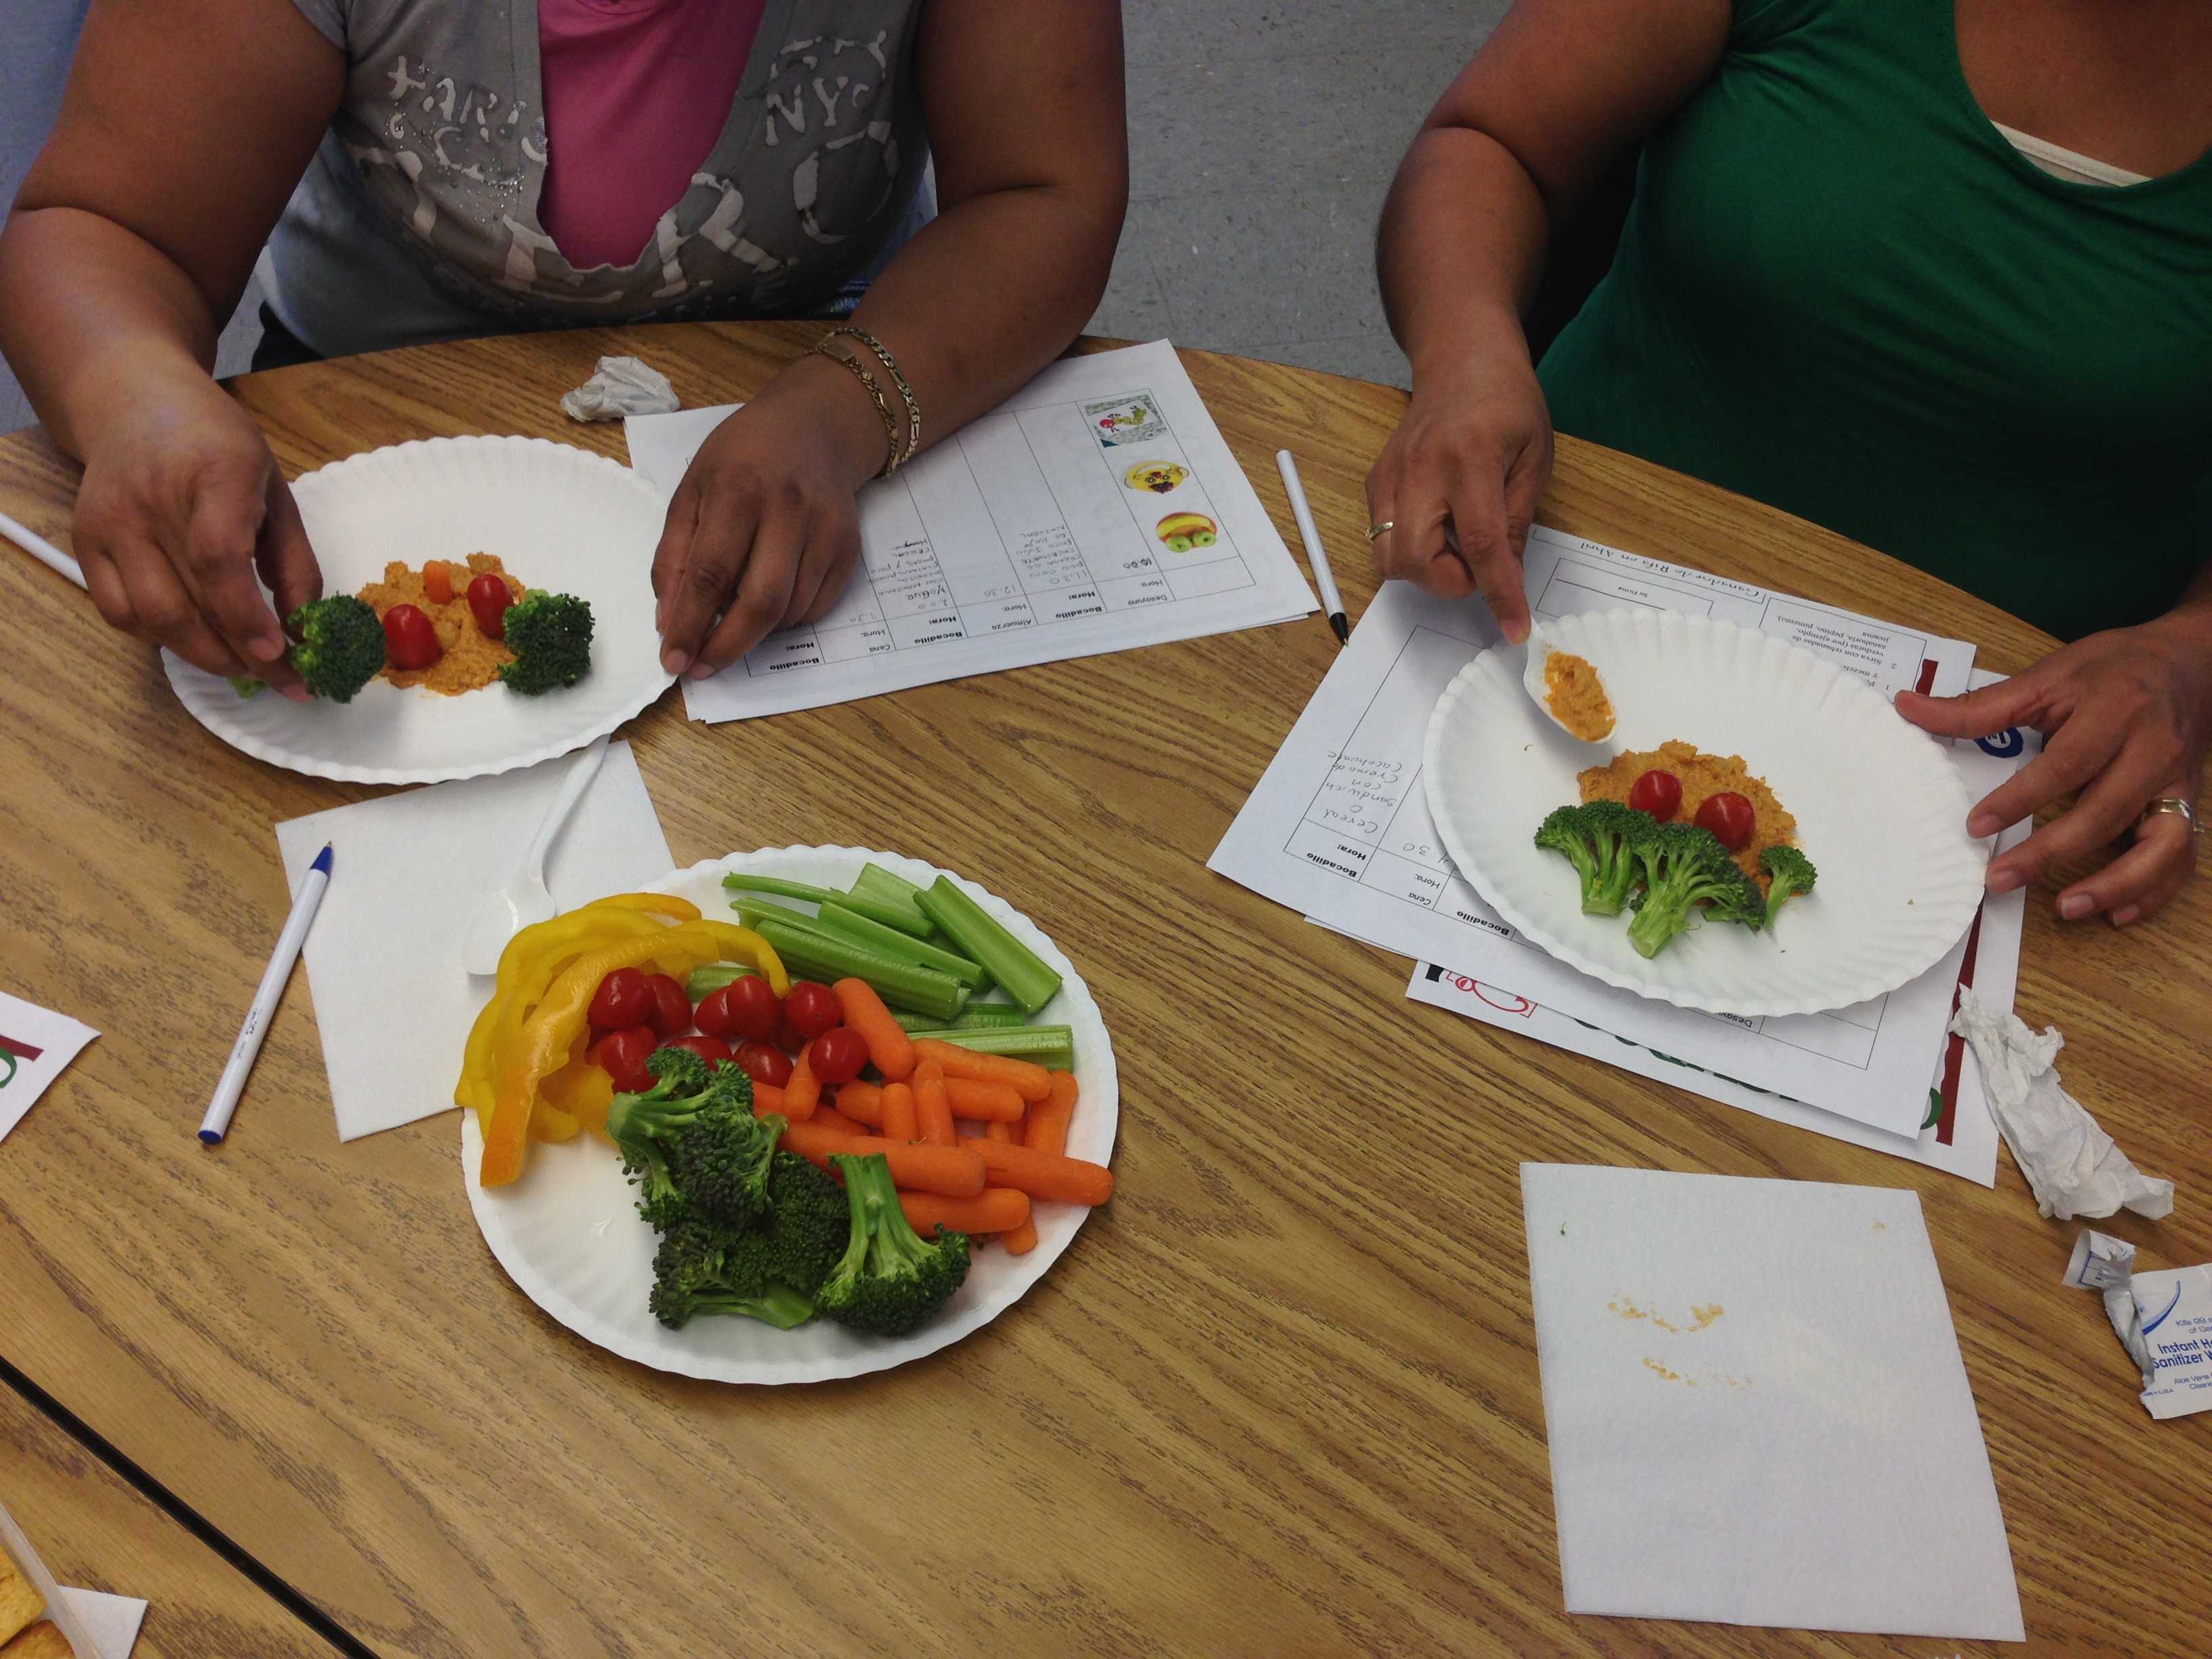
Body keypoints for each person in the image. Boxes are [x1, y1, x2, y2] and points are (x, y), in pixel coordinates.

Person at [0, 0, 1127, 693]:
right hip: (366, 431)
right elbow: (106, 231)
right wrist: (138, 397)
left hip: (855, 395)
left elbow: (1045, 193)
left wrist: (844, 407)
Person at [1368, 0, 2211, 925]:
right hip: (1550, 595)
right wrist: (1465, 360)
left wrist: (2190, 654)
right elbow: (1491, 140)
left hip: (1995, 757)